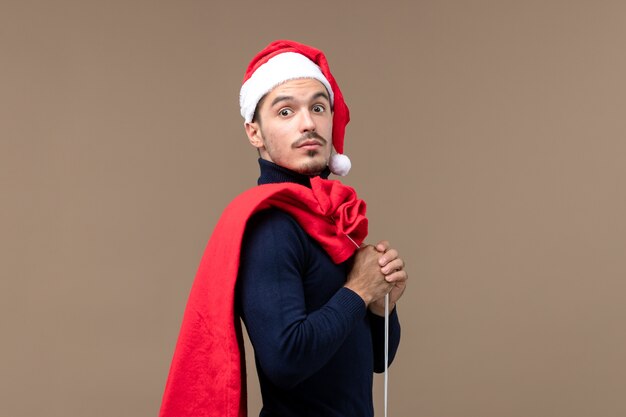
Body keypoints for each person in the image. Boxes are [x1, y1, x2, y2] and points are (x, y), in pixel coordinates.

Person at [159, 40, 408, 417]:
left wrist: (379, 306)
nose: (308, 123)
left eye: (318, 108)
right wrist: (357, 290)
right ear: (254, 133)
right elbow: (286, 361)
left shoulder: (328, 222)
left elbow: (375, 359)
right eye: (286, 111)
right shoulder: (273, 226)